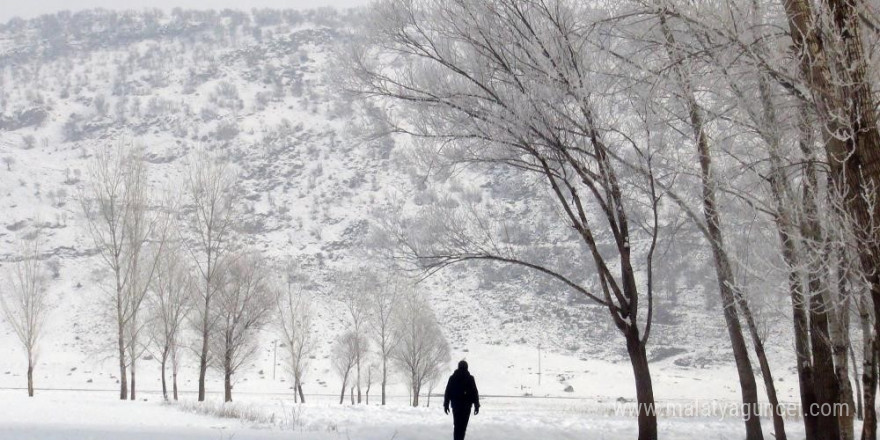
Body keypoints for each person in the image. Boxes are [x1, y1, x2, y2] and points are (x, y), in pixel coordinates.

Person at [443, 360, 480, 440]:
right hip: (466, 407)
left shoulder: (453, 378)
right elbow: (475, 392)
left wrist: (446, 405)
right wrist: (476, 405)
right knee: (463, 427)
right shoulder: (470, 378)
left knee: (457, 425)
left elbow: (447, 392)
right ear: (467, 367)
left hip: (456, 406)